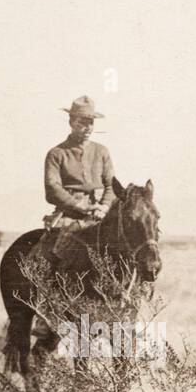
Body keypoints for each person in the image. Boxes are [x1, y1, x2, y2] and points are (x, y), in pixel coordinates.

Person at [43, 95, 116, 266]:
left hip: (100, 214)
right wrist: (82, 207)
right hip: (70, 215)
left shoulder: (102, 151)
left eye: (90, 123)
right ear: (71, 122)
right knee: (57, 256)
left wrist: (104, 206)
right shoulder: (57, 153)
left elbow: (111, 184)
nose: (87, 128)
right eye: (82, 122)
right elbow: (52, 188)